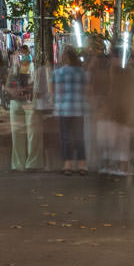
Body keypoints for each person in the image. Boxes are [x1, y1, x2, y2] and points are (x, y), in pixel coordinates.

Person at [51, 46, 88, 175]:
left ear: (62, 58)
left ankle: (67, 165)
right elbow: (86, 92)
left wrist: (55, 107)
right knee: (79, 137)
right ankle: (82, 165)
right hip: (79, 110)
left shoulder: (56, 73)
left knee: (65, 138)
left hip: (63, 110)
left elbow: (54, 93)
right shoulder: (82, 73)